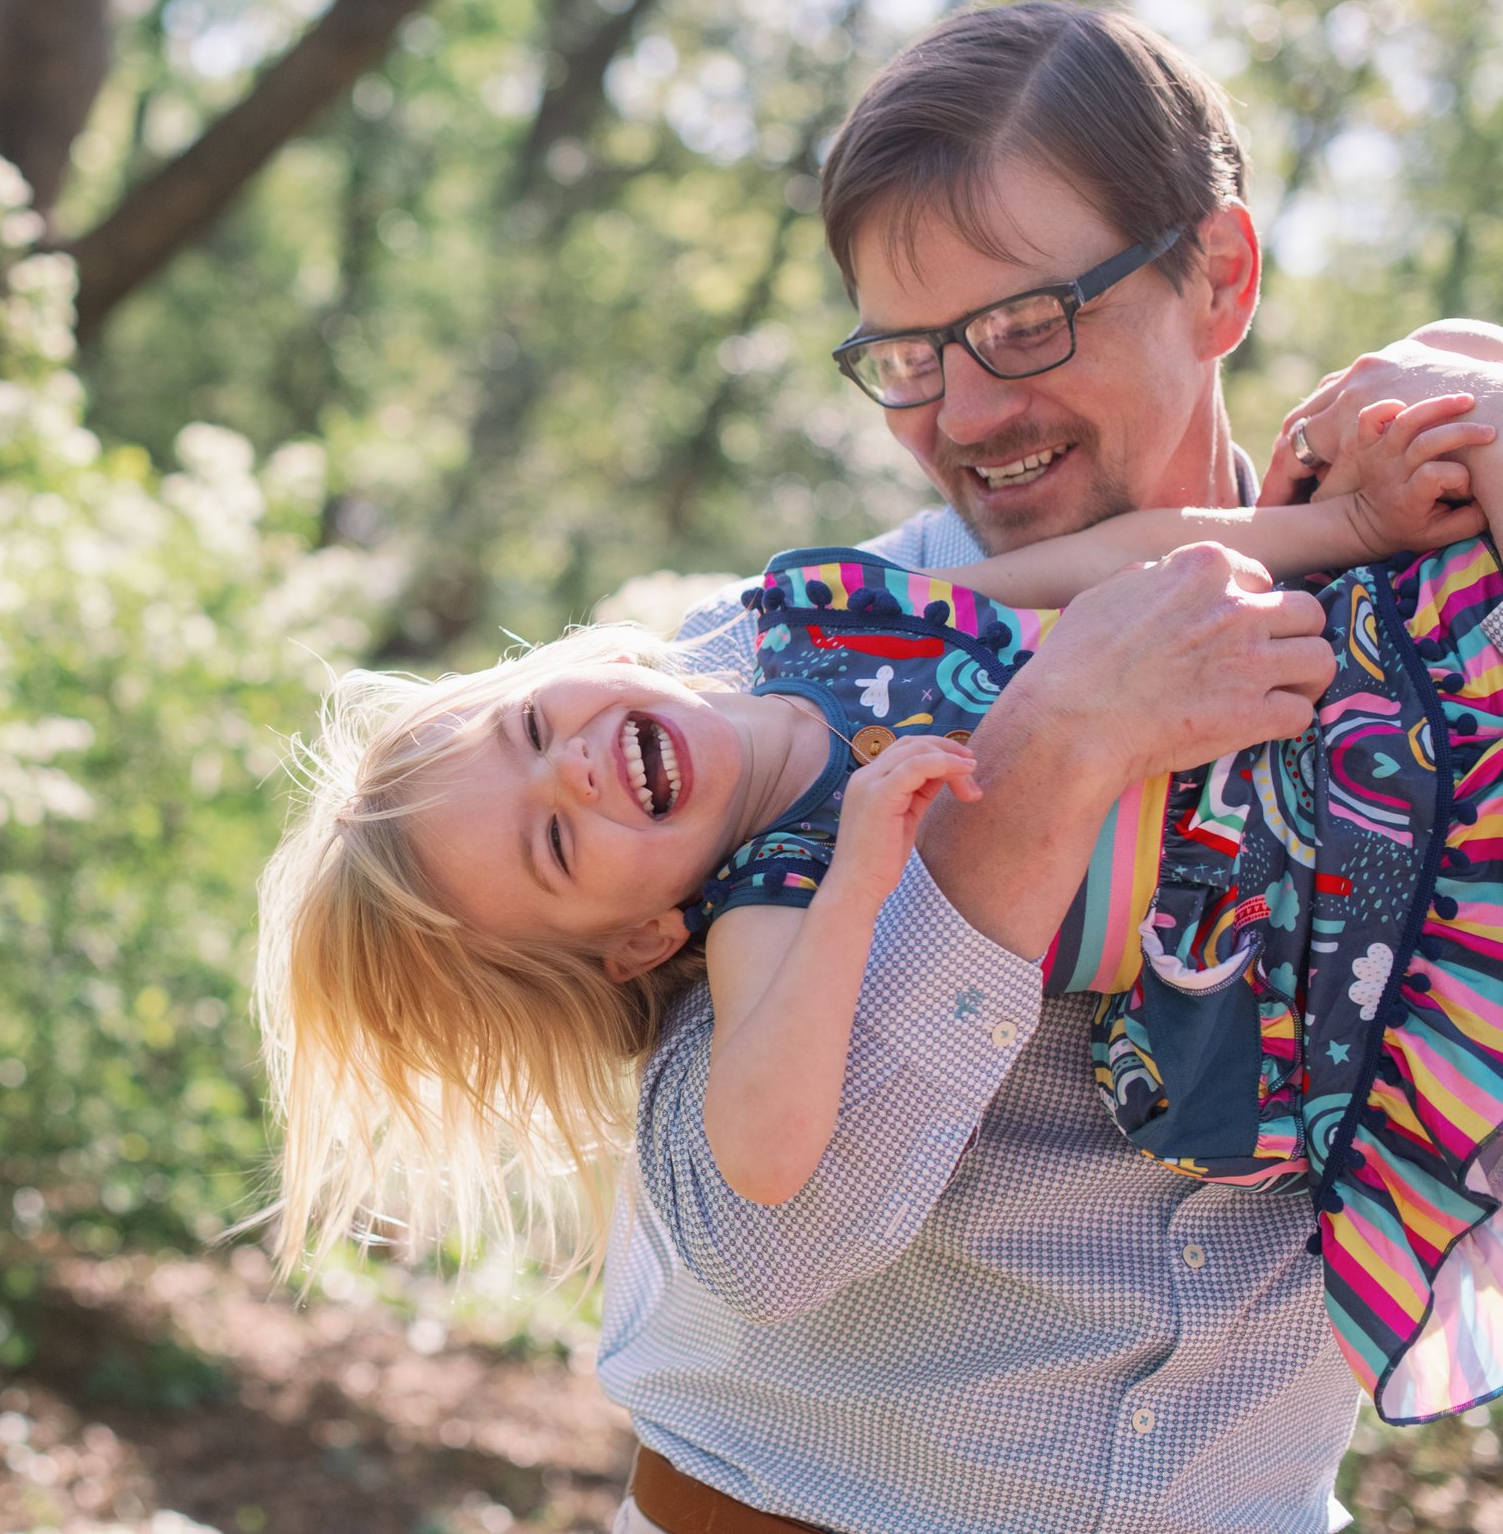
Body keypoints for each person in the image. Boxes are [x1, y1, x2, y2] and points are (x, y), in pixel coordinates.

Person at [268, 1, 1503, 1532]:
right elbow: (762, 1233)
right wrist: (1041, 764)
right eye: (907, 358)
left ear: (1221, 276)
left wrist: (1436, 462)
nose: (969, 414)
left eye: (1027, 325)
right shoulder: (738, 698)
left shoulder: (1427, 641)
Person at [256, 386, 1501, 1396]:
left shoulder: (818, 616)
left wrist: (1348, 531)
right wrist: (859, 869)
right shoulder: (775, 891)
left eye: (532, 727)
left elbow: (1124, 557)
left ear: (587, 663)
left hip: (1364, 703)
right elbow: (763, 1148)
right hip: (1350, 938)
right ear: (639, 938)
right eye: (553, 845)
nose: (576, 770)